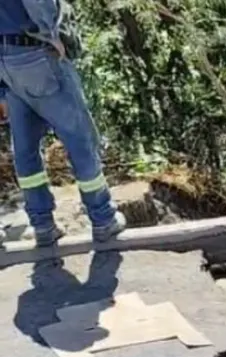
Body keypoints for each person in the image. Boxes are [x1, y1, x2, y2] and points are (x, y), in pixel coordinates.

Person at [0, 0, 124, 247]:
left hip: (5, 62)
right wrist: (51, 34)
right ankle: (103, 218)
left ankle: (42, 225)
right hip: (35, 55)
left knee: (25, 148)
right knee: (80, 137)